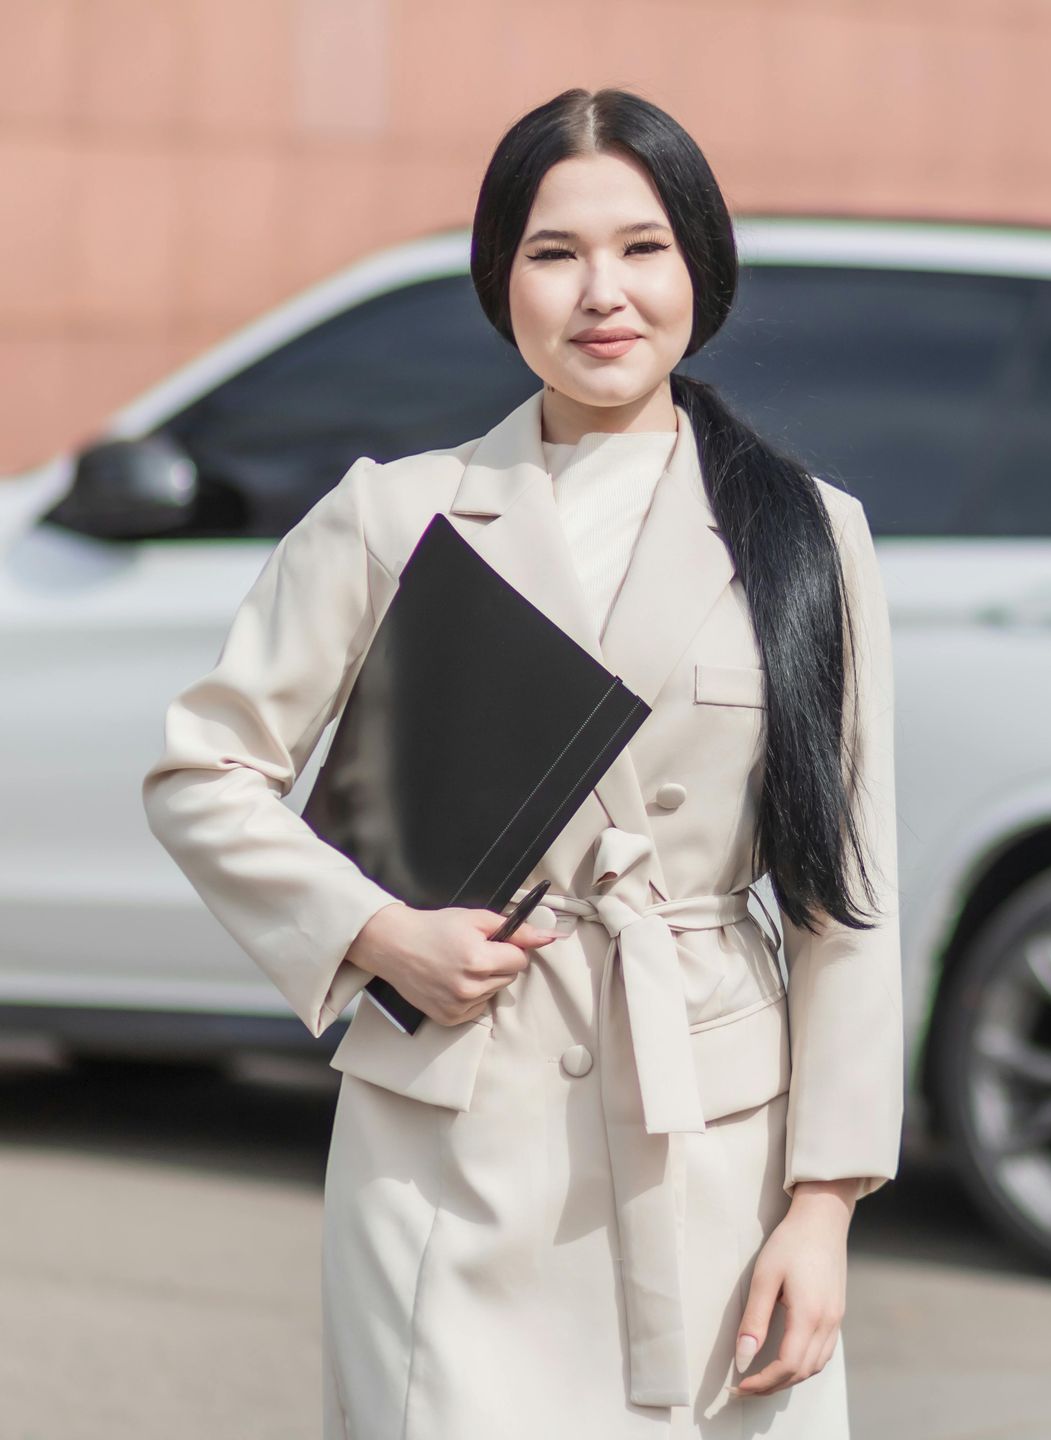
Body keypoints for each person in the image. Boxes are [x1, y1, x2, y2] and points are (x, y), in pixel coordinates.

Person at [140, 86, 903, 1439]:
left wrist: (824, 1208)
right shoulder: (394, 514)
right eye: (555, 255)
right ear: (501, 283)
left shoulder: (805, 533)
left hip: (716, 1150)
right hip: (450, 1151)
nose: (601, 293)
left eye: (642, 247)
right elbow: (204, 769)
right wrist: (377, 933)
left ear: (700, 268)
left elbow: (848, 901)